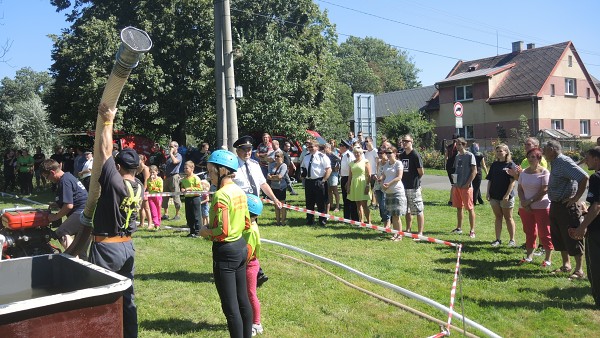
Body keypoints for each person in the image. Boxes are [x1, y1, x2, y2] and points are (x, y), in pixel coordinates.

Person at [92, 103, 144, 337]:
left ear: (120, 166)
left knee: (101, 296)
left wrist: (107, 121)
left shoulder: (114, 181)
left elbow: (104, 150)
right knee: (127, 296)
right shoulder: (139, 185)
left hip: (107, 248)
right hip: (127, 246)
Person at [199, 150, 253, 338]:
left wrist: (206, 232)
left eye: (211, 171)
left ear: (222, 170)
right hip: (240, 246)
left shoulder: (221, 195)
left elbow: (222, 232)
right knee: (243, 301)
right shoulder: (239, 191)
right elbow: (247, 223)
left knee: (230, 308)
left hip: (226, 251)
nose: (209, 175)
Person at [543, 140, 588, 280]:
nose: (543, 152)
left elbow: (584, 177)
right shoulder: (555, 162)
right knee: (559, 236)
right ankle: (566, 265)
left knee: (572, 236)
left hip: (567, 207)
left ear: (552, 149)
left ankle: (579, 270)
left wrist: (575, 198)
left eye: (544, 149)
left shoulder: (563, 161)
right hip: (556, 205)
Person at [41, 158, 90, 259]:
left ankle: (73, 260)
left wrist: (55, 217)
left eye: (47, 177)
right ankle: (82, 269)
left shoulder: (64, 181)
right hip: (88, 213)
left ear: (52, 172)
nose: (48, 180)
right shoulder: (68, 177)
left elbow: (69, 205)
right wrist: (57, 203)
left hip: (81, 212)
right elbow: (74, 197)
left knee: (61, 232)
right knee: (81, 251)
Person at [573, 146, 600, 307]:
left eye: (588, 158)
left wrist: (583, 226)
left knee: (595, 265)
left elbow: (597, 206)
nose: (586, 161)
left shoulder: (596, 177)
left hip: (597, 230)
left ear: (596, 159)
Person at [517, 148, 553, 266]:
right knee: (529, 232)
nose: (530, 159)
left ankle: (547, 259)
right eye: (529, 156)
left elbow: (544, 190)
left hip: (541, 206)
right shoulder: (523, 172)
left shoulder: (544, 172)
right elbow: (520, 189)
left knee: (544, 233)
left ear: (539, 158)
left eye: (533, 157)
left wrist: (530, 201)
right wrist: (524, 202)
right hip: (525, 208)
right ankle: (529, 256)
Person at [486, 143, 518, 247]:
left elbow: (512, 182)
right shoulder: (494, 164)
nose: (499, 153)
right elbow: (490, 179)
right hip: (494, 195)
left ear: (506, 152)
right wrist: (488, 192)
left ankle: (512, 240)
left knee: (508, 218)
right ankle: (497, 239)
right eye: (498, 151)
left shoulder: (510, 164)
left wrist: (507, 195)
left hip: (506, 197)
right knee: (498, 217)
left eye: (502, 151)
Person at [244, 194, 265, 336]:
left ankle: (257, 323)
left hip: (249, 265)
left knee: (251, 294)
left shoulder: (250, 230)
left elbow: (249, 251)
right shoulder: (252, 225)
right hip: (249, 264)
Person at [399, 134, 425, 238]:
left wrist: (416, 181)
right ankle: (408, 229)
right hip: (403, 186)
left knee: (418, 209)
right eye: (403, 141)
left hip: (413, 187)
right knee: (406, 209)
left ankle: (420, 232)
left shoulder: (415, 155)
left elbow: (421, 172)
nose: (405, 143)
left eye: (407, 141)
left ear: (411, 142)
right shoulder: (402, 155)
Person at [450, 137, 477, 238]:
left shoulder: (470, 155)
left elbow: (474, 171)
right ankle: (459, 228)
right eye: (456, 144)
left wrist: (468, 183)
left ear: (464, 145)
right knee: (458, 207)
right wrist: (454, 184)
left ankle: (472, 230)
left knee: (469, 208)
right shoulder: (457, 156)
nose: (457, 146)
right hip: (457, 186)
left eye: (459, 144)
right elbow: (456, 171)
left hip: (466, 187)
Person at [301, 139, 332, 226]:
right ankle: (310, 220)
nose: (310, 148)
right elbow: (303, 168)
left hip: (319, 181)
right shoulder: (306, 156)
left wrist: (323, 181)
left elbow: (328, 169)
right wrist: (302, 175)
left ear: (317, 147)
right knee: (309, 202)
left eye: (312, 147)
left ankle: (322, 220)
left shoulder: (322, 156)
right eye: (309, 147)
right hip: (309, 182)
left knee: (321, 202)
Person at [380, 146, 406, 240]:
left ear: (395, 153)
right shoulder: (386, 164)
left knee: (396, 215)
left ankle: (400, 235)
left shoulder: (398, 163)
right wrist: (381, 182)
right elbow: (383, 176)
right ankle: (395, 234)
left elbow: (399, 177)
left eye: (390, 152)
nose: (388, 154)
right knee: (392, 215)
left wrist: (389, 184)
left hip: (397, 192)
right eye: (387, 153)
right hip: (388, 192)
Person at [347, 146, 371, 224]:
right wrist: (348, 186)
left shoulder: (365, 161)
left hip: (363, 182)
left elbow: (369, 174)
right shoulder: (351, 163)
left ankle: (369, 221)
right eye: (355, 152)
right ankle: (361, 221)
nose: (356, 154)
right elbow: (350, 176)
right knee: (358, 204)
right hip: (354, 183)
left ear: (361, 153)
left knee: (364, 204)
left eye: (358, 152)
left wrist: (367, 185)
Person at [180, 160, 203, 237]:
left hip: (195, 198)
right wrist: (182, 189)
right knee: (189, 216)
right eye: (184, 168)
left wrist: (190, 188)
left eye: (187, 168)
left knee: (196, 216)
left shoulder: (196, 178)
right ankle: (192, 231)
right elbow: (183, 187)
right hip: (187, 199)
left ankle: (198, 232)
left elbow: (200, 188)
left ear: (192, 168)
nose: (185, 170)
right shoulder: (184, 179)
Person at [162, 140, 182, 220]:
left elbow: (175, 162)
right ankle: (165, 214)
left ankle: (177, 214)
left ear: (176, 147)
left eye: (172, 146)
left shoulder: (178, 155)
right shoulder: (168, 157)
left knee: (175, 195)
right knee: (165, 196)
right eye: (169, 146)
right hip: (167, 177)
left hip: (174, 177)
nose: (170, 148)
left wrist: (171, 153)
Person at [267, 149, 288, 226]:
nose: (276, 157)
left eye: (278, 156)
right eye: (275, 156)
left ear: (282, 157)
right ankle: (277, 221)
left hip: (281, 188)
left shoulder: (284, 165)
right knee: (275, 205)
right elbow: (268, 176)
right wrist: (274, 177)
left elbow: (280, 176)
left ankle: (283, 222)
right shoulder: (272, 165)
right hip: (273, 187)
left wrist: (272, 177)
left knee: (282, 205)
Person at [339, 139, 358, 221]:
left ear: (344, 147)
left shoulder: (349, 155)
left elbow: (352, 168)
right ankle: (347, 217)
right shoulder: (344, 155)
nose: (339, 147)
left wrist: (349, 182)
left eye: (340, 146)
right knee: (345, 199)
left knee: (351, 199)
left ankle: (354, 218)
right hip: (344, 178)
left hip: (348, 178)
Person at [374, 146, 390, 228]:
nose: (379, 155)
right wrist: (375, 176)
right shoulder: (378, 162)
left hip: (386, 186)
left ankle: (388, 221)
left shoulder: (389, 163)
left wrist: (382, 178)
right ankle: (385, 221)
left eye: (381, 153)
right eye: (378, 153)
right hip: (378, 185)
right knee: (380, 205)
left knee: (384, 205)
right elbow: (376, 172)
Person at [136, 154, 152, 230]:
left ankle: (150, 224)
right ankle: (141, 223)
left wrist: (144, 190)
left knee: (146, 207)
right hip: (139, 188)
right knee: (140, 208)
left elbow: (146, 180)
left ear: (142, 160)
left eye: (138, 159)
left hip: (145, 189)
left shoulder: (145, 169)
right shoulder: (137, 168)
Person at [324, 143, 341, 213]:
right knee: (329, 190)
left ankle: (337, 206)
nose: (324, 149)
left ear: (329, 148)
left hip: (333, 173)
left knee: (335, 189)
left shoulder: (333, 154)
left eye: (325, 148)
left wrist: (338, 167)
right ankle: (331, 205)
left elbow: (340, 160)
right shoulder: (324, 155)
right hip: (327, 173)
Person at [364, 137, 379, 209]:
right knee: (370, 188)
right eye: (365, 141)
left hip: (374, 173)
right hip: (368, 173)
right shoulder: (366, 153)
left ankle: (377, 204)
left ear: (371, 141)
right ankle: (372, 202)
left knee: (375, 189)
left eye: (367, 141)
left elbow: (377, 162)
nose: (366, 143)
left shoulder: (375, 151)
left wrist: (376, 172)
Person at [147, 165, 163, 230]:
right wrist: (151, 181)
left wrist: (153, 186)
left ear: (157, 172)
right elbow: (149, 188)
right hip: (151, 197)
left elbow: (160, 189)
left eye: (153, 172)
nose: (152, 174)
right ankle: (156, 224)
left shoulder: (160, 179)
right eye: (151, 172)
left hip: (158, 197)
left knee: (158, 210)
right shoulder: (148, 180)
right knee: (153, 211)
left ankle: (158, 223)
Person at [445, 134, 459, 205]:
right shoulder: (458, 147)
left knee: (453, 183)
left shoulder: (449, 147)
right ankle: (451, 200)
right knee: (455, 184)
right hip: (454, 167)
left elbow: (446, 157)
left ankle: (453, 199)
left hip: (449, 166)